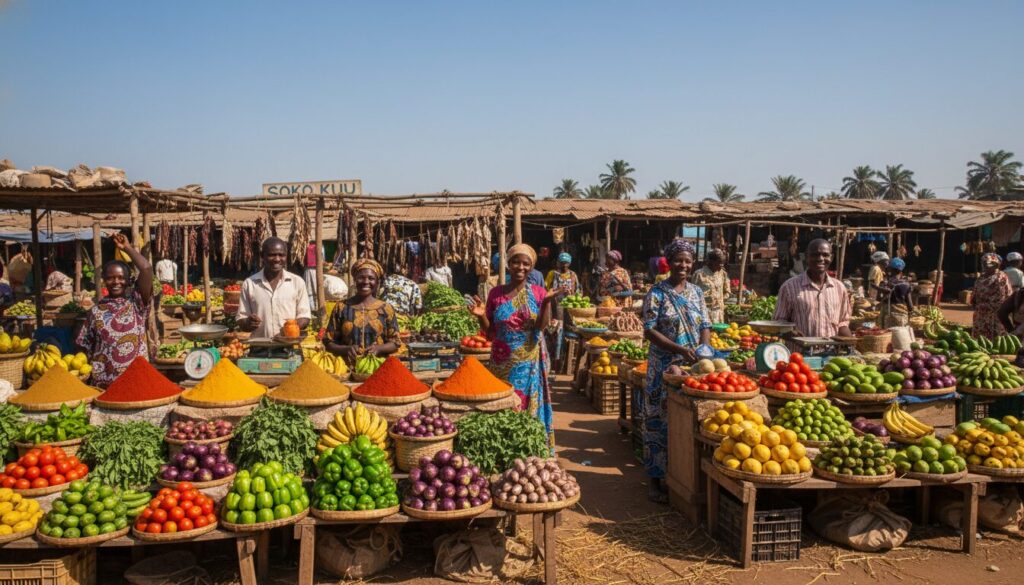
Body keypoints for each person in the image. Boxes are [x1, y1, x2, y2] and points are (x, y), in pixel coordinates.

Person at [470, 244, 566, 448]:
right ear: (508, 264)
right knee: (503, 407)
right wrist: (480, 317)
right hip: (500, 363)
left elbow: (541, 328)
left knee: (526, 408)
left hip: (528, 362)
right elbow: (489, 332)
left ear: (531, 267)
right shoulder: (496, 293)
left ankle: (528, 449)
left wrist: (547, 303)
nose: (520, 267)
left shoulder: (540, 293)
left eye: (526, 263)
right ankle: (504, 449)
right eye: (516, 262)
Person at [641, 239, 711, 503]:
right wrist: (679, 350)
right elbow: (649, 330)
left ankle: (682, 478)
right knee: (657, 421)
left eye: (688, 260)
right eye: (678, 260)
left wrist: (704, 350)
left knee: (686, 421)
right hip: (662, 367)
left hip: (692, 366)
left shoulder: (697, 292)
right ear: (669, 262)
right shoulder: (657, 293)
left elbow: (706, 323)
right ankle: (655, 480)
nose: (683, 265)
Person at [77, 233, 153, 388]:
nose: (116, 282)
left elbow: (146, 269)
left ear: (128, 280)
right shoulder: (95, 312)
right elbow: (84, 346)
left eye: (121, 277)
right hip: (105, 384)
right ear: (104, 280)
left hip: (137, 381)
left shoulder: (137, 302)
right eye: (110, 278)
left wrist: (128, 248)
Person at [774, 239, 853, 338]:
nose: (820, 259)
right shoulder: (789, 287)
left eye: (825, 255)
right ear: (807, 257)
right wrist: (790, 332)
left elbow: (842, 322)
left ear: (831, 258)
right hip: (800, 352)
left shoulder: (839, 288)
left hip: (831, 351)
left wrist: (852, 342)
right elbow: (778, 323)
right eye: (815, 255)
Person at [325, 259, 400, 363]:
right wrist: (345, 349)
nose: (366, 282)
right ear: (355, 280)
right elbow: (328, 342)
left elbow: (395, 342)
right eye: (361, 278)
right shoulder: (341, 307)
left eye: (371, 278)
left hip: (378, 367)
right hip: (346, 366)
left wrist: (379, 349)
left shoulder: (386, 309)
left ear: (377, 282)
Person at [238, 237, 311, 338]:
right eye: (271, 255)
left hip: (288, 347)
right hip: (259, 348)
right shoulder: (250, 284)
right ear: (262, 256)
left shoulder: (297, 282)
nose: (277, 259)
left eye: (281, 255)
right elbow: (241, 320)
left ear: (286, 256)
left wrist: (291, 327)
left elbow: (305, 316)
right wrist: (248, 323)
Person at [972, 252, 1012, 339]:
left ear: (996, 264)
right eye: (984, 263)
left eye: (990, 263)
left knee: (996, 339)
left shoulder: (1001, 277)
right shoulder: (981, 278)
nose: (986, 265)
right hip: (981, 315)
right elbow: (974, 295)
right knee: (980, 339)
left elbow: (1004, 296)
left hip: (996, 314)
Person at [691, 249, 730, 323]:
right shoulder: (699, 274)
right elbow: (692, 294)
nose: (722, 265)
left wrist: (722, 298)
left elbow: (727, 290)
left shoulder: (723, 274)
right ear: (711, 261)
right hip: (704, 312)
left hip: (719, 313)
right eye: (719, 262)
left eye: (723, 263)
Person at [877, 258, 914, 327]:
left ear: (890, 269)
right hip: (899, 316)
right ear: (901, 271)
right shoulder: (905, 284)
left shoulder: (885, 283)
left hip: (885, 315)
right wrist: (911, 313)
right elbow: (910, 305)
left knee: (885, 335)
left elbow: (878, 298)